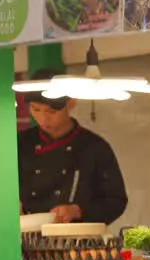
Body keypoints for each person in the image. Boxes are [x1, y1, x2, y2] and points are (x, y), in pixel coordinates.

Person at [18, 75, 128, 225]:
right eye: (35, 109)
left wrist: (78, 210)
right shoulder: (20, 144)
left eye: (51, 112)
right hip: (26, 239)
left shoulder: (94, 147)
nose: (43, 119)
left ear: (71, 103)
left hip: (76, 241)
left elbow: (115, 201)